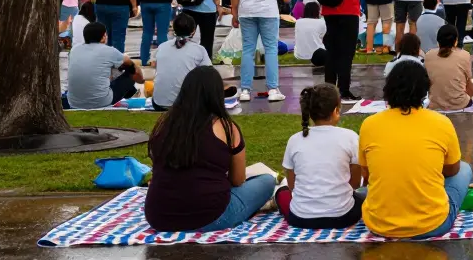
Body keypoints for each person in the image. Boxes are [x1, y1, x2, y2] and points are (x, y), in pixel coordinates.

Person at [145, 66, 276, 232]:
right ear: (216, 95)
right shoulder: (225, 127)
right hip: (211, 217)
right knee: (267, 181)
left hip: (159, 217)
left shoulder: (164, 124)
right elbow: (237, 180)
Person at [358, 62, 473, 238]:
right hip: (433, 224)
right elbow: (452, 170)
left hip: (378, 224)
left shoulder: (369, 125)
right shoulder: (441, 122)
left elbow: (366, 175)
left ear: (388, 89)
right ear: (425, 90)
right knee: (464, 169)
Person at [275, 83, 364, 229]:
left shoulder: (295, 140)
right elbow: (356, 184)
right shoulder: (350, 137)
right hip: (343, 217)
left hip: (301, 219)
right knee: (364, 197)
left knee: (282, 193)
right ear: (336, 110)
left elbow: (292, 186)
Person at [66, 22, 143, 109]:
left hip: (74, 102)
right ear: (103, 37)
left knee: (109, 69)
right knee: (130, 71)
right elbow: (130, 63)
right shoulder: (109, 51)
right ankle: (130, 96)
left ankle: (130, 93)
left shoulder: (75, 49)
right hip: (101, 102)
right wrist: (141, 80)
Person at [152, 13, 212, 111]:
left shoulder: (162, 47)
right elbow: (210, 75)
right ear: (193, 30)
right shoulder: (199, 50)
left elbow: (155, 66)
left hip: (159, 103)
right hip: (186, 105)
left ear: (173, 29)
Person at [426, 25, 473, 112]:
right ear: (455, 41)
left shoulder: (429, 55)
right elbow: (469, 85)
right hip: (459, 104)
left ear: (438, 41)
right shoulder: (464, 55)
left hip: (435, 105)